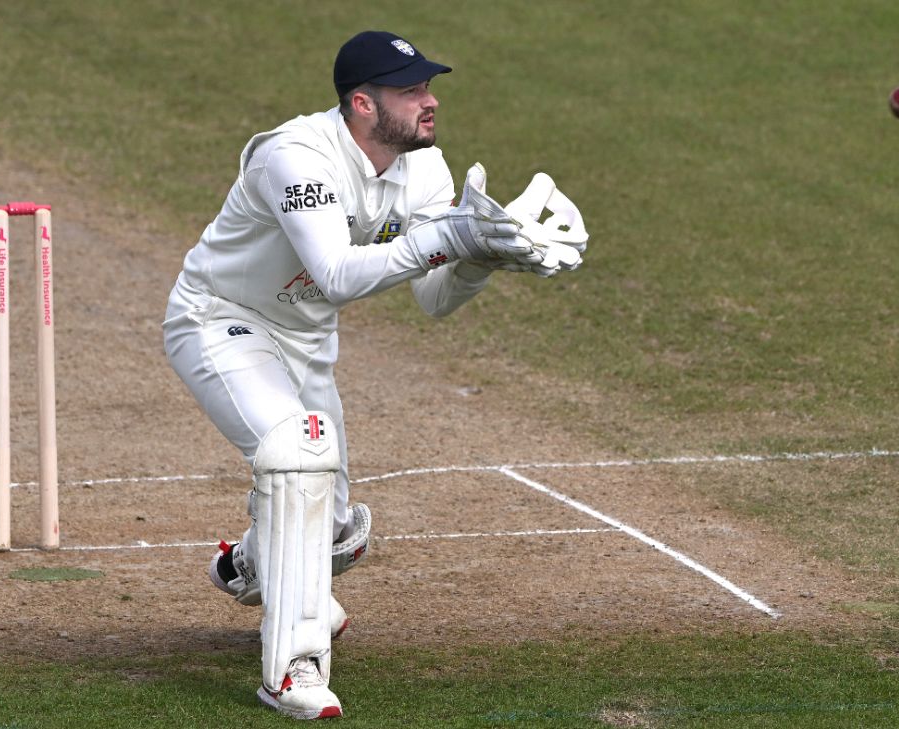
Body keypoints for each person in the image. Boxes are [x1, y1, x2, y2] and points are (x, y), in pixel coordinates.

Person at [162, 29, 585, 720]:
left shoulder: (425, 170)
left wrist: (479, 258)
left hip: (304, 339)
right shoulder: (293, 158)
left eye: (428, 86)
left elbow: (434, 297)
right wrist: (443, 237)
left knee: (337, 537)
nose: (430, 100)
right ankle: (292, 670)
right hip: (221, 320)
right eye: (411, 90)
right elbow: (333, 273)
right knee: (299, 451)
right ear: (362, 103)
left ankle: (252, 564)